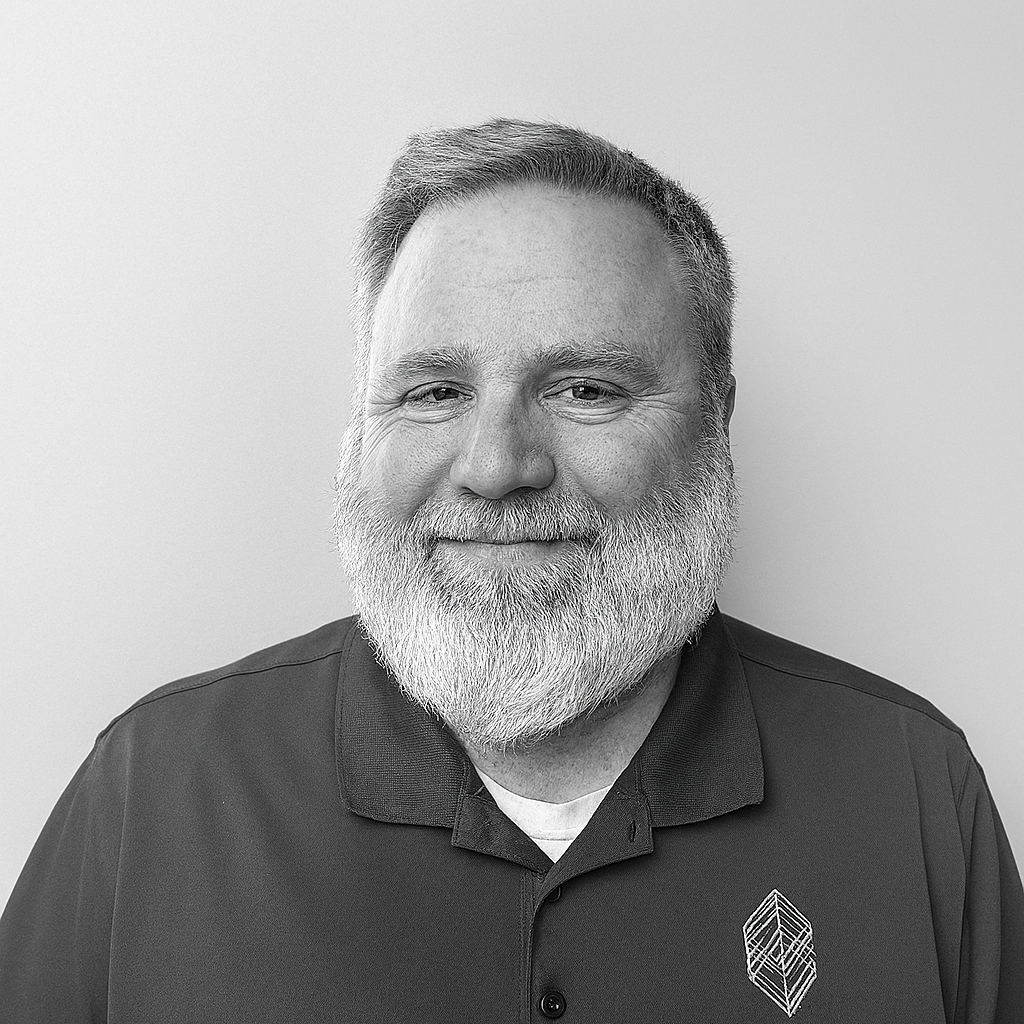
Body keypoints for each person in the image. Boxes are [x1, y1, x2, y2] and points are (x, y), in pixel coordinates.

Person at [1, 119, 1021, 1022]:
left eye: (585, 388)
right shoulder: (152, 792)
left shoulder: (912, 792)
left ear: (715, 422)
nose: (496, 467)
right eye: (434, 391)